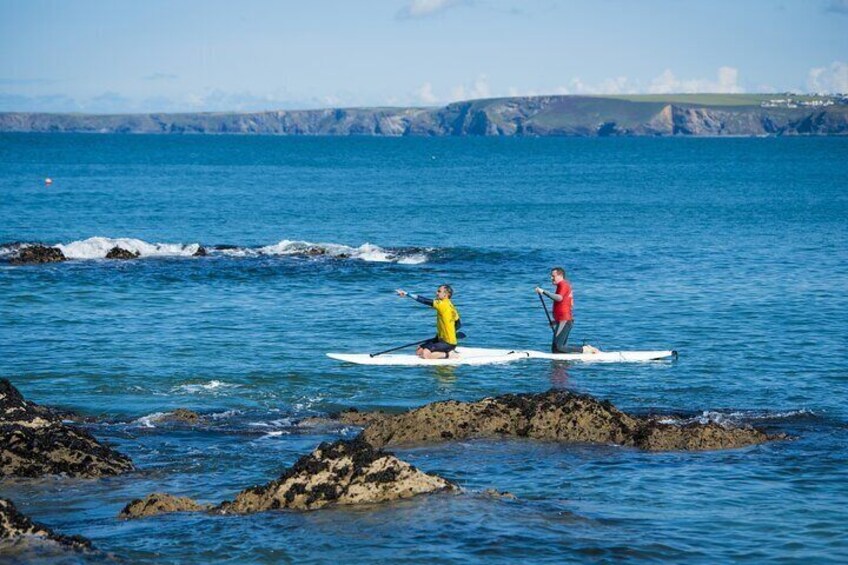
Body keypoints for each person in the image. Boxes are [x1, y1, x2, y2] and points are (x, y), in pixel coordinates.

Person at [535, 267, 600, 354]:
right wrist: (556, 321)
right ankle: (563, 365)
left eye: (553, 276)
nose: (551, 278)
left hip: (564, 320)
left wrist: (543, 292)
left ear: (560, 275)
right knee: (555, 349)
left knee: (559, 347)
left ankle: (585, 350)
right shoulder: (561, 286)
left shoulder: (563, 284)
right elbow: (567, 304)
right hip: (562, 320)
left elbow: (559, 298)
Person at [395, 285, 461, 359]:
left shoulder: (442, 304)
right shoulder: (451, 306)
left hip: (448, 343)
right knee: (419, 351)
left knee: (425, 355)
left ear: (446, 294)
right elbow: (458, 324)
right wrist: (447, 333)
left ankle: (449, 355)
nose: (436, 293)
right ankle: (445, 350)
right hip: (441, 339)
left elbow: (425, 300)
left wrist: (407, 294)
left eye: (439, 291)